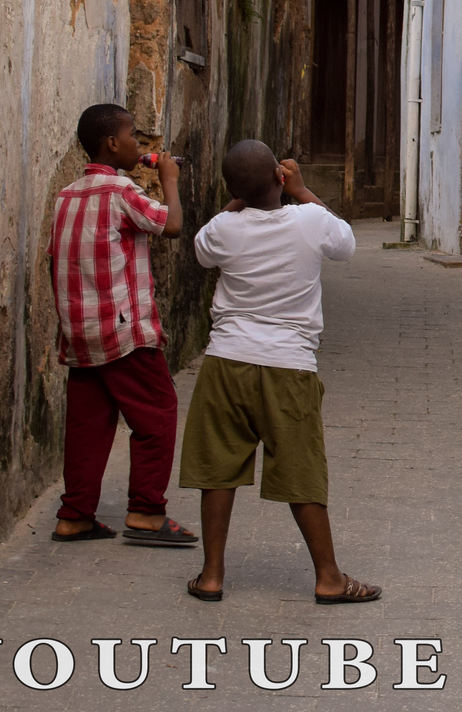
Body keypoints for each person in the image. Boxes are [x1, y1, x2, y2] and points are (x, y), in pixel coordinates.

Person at [179, 141, 377, 604]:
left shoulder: (223, 228)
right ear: (280, 178)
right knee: (301, 469)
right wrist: (304, 190)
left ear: (232, 190)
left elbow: (202, 250)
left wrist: (238, 199)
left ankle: (211, 575)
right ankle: (329, 577)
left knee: (218, 467)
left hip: (226, 361)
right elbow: (344, 242)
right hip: (289, 365)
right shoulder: (309, 219)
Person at [47, 104, 198, 546]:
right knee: (158, 414)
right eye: (134, 136)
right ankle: (147, 511)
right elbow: (170, 226)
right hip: (124, 330)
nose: (141, 145)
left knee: (88, 426)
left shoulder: (67, 195)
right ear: (113, 144)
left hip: (78, 330)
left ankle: (75, 514)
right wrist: (169, 180)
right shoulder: (120, 190)